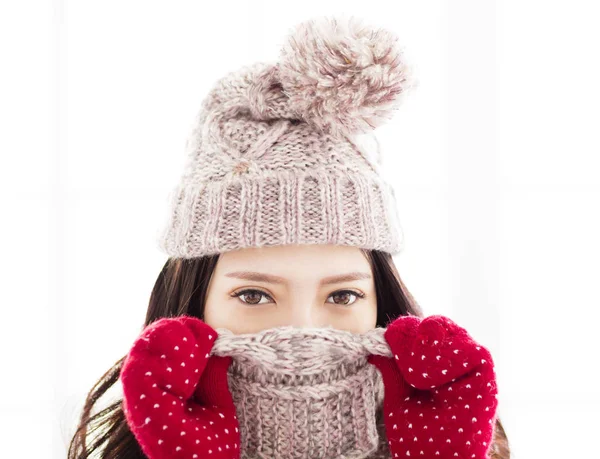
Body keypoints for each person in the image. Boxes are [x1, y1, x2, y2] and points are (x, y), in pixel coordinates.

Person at [68, 14, 510, 459]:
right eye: (255, 295)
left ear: (381, 299)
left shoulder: (447, 435)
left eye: (342, 296)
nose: (301, 330)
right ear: (191, 301)